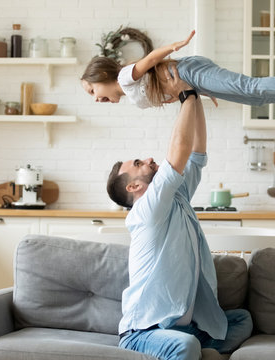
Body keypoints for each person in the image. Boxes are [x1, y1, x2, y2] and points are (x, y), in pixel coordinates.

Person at [106, 65, 253, 360]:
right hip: (145, 330)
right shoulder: (146, 209)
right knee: (185, 347)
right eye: (138, 162)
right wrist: (184, 97)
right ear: (134, 185)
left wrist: (193, 93)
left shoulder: (176, 196)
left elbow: (196, 153)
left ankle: (199, 351)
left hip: (184, 326)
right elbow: (180, 148)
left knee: (241, 321)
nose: (148, 158)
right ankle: (194, 353)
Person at [82, 29, 275, 118]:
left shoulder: (125, 78)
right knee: (254, 99)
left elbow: (150, 59)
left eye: (92, 91)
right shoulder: (134, 98)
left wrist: (173, 47)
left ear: (102, 76)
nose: (95, 99)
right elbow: (173, 92)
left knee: (249, 88)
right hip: (194, 81)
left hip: (189, 69)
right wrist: (206, 90)